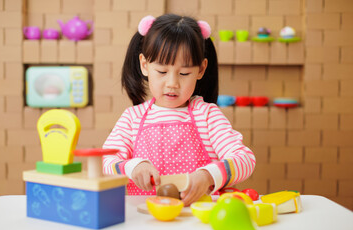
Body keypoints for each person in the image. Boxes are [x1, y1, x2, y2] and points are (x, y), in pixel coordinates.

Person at [103, 14, 256, 206]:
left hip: (198, 220)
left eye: (184, 73)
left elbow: (245, 159)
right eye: (162, 72)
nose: (172, 83)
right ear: (144, 65)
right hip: (146, 220)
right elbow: (106, 163)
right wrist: (133, 167)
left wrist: (208, 175)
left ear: (201, 69)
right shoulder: (132, 118)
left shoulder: (207, 116)